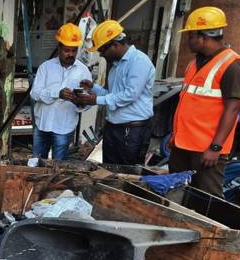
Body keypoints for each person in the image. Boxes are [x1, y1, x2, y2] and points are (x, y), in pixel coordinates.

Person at [168, 7, 240, 197]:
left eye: (190, 36)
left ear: (203, 36)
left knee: (206, 199)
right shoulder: (194, 64)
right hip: (183, 146)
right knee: (176, 194)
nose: (187, 40)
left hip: (207, 150)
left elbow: (233, 108)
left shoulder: (232, 65)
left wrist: (215, 147)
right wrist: (176, 137)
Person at [76, 20, 155, 165]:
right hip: (114, 128)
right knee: (109, 170)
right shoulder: (115, 67)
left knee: (127, 173)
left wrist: (96, 100)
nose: (101, 55)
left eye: (102, 51)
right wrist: (93, 87)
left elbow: (129, 95)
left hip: (132, 130)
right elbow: (112, 94)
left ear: (115, 45)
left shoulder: (139, 62)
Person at [29, 23, 92, 160]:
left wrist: (79, 101)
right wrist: (57, 93)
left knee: (59, 166)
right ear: (59, 48)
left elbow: (87, 105)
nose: (70, 54)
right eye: (67, 50)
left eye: (74, 50)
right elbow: (34, 93)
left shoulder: (83, 71)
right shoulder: (46, 67)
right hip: (43, 124)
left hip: (65, 126)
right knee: (36, 163)